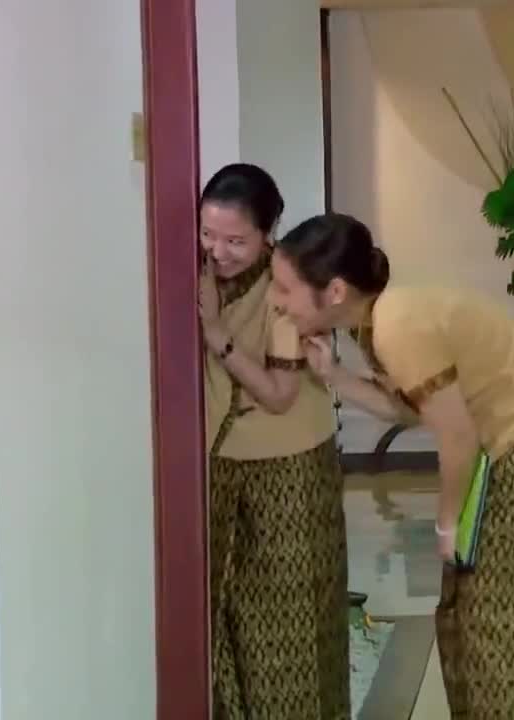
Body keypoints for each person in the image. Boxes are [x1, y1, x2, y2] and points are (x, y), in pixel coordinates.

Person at [269, 213, 514, 719]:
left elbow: (457, 436)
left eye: (284, 289)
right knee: (470, 604)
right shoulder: (373, 321)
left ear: (334, 291)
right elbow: (412, 410)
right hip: (512, 430)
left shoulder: (395, 326)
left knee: (505, 604)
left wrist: (447, 523)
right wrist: (334, 375)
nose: (276, 302)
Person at [197, 164, 349, 719]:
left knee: (291, 619)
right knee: (220, 613)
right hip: (219, 461)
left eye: (236, 241)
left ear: (268, 235)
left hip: (289, 472)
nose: (218, 252)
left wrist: (217, 335)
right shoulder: (194, 270)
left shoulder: (288, 288)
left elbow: (281, 394)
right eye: (208, 234)